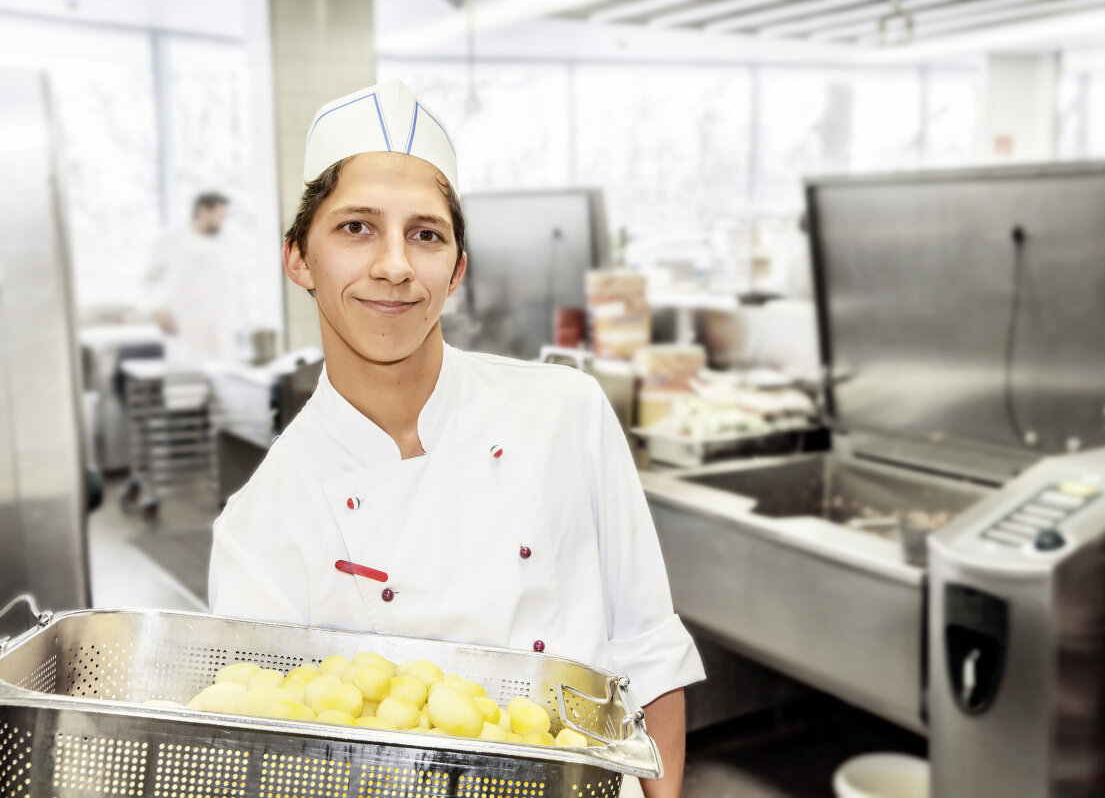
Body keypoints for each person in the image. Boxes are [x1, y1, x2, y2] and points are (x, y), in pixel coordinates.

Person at [207, 80, 704, 797]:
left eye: (425, 234)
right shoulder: (260, 528)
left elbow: (648, 649)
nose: (395, 266)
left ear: (458, 269)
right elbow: (281, 762)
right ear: (297, 258)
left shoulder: (565, 410)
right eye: (356, 228)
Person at [146, 192, 242, 364]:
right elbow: (150, 281)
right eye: (219, 215)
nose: (223, 221)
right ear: (203, 210)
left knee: (224, 378)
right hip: (184, 327)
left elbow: (236, 284)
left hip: (221, 326)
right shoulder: (171, 240)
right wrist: (157, 310)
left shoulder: (228, 242)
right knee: (188, 380)